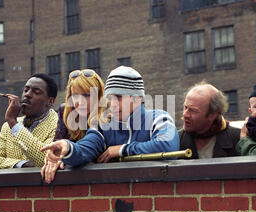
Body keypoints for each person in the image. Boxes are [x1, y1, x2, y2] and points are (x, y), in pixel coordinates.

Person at [41, 66, 179, 183]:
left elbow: (168, 146)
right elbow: (85, 149)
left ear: (138, 98)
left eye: (118, 97)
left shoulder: (158, 118)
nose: (112, 105)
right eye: (110, 98)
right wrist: (67, 147)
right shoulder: (103, 126)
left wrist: (120, 150)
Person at [0, 74, 58, 169]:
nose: (27, 94)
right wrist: (22, 164)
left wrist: (13, 122)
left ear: (50, 101)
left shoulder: (59, 125)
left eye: (36, 92)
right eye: (25, 90)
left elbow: (46, 159)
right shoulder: (8, 126)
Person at [179, 82, 240, 159]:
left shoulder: (239, 140)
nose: (185, 114)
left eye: (193, 110)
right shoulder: (175, 142)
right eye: (185, 107)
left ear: (212, 115)